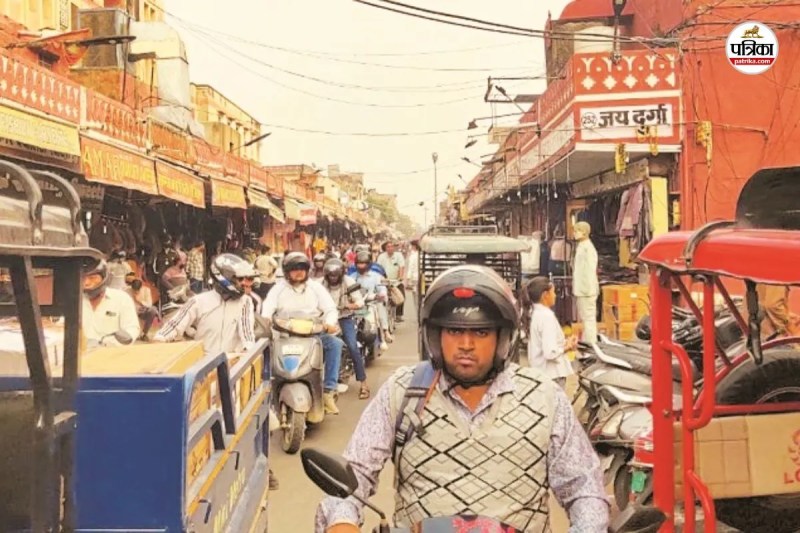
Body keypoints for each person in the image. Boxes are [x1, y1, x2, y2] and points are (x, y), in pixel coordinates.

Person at [314, 265, 608, 532]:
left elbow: (584, 488)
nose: (466, 345)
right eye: (454, 330)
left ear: (503, 338)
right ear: (435, 336)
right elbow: (354, 476)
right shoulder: (402, 391)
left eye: (480, 332)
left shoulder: (545, 398)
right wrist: (342, 521)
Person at [262, 252, 343, 415]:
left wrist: (329, 323)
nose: (298, 272)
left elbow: (330, 309)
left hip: (313, 334)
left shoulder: (315, 287)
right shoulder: (278, 289)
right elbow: (267, 308)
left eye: (302, 268)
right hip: (284, 335)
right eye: (294, 269)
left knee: (335, 344)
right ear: (286, 272)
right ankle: (266, 394)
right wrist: (266, 320)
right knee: (265, 351)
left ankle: (328, 390)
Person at [153, 254, 257, 357]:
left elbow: (247, 333)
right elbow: (175, 324)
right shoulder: (198, 301)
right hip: (203, 363)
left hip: (232, 362)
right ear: (225, 278)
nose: (244, 283)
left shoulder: (245, 302)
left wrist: (247, 349)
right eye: (240, 279)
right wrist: (160, 338)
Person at [321, 258, 370, 399]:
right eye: (330, 276)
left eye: (336, 275)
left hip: (344, 318)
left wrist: (349, 305)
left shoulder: (349, 282)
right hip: (326, 320)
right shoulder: (320, 285)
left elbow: (359, 302)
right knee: (316, 345)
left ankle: (364, 384)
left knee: (353, 347)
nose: (333, 278)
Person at [527, 276, 577, 389]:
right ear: (545, 295)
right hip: (551, 375)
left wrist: (564, 342)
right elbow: (550, 353)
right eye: (553, 292)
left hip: (540, 372)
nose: (555, 296)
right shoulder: (546, 316)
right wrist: (567, 347)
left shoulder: (534, 312)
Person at [82, 260, 141, 348]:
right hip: (79, 356)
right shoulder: (73, 301)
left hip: (111, 355)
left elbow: (132, 329)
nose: (86, 283)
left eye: (92, 278)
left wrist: (108, 343)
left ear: (104, 278)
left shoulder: (122, 299)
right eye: (83, 278)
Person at [350, 250, 392, 348]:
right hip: (356, 304)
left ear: (368, 264)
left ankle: (384, 332)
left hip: (372, 302)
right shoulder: (352, 277)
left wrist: (381, 295)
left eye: (363, 263)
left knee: (380, 308)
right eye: (359, 263)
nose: (361, 266)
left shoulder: (376, 276)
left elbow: (382, 288)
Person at [573, 221, 599, 343]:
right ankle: (587, 342)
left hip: (586, 290)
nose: (574, 233)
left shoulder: (587, 248)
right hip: (583, 289)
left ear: (583, 232)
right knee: (586, 318)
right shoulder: (583, 247)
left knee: (588, 318)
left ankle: (590, 343)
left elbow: (589, 270)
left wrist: (586, 290)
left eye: (576, 231)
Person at [376, 241, 406, 322]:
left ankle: (399, 315)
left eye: (392, 246)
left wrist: (400, 277)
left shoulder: (398, 255)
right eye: (388, 247)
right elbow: (378, 268)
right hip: (385, 281)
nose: (390, 248)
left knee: (401, 296)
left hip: (396, 281)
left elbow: (401, 267)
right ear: (385, 248)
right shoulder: (381, 257)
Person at [404, 240, 420, 319]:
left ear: (414, 246)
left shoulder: (413, 256)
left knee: (416, 298)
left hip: (415, 279)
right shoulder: (424, 255)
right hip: (424, 279)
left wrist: (407, 280)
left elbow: (410, 269)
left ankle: (418, 315)